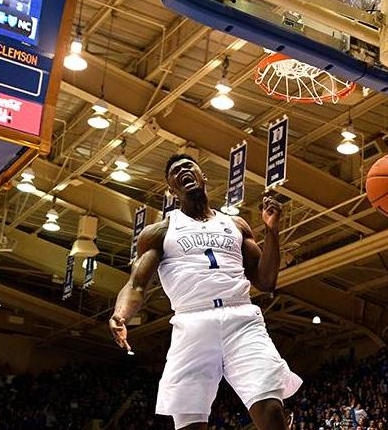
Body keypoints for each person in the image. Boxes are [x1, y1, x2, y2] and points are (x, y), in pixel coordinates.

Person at [110, 154, 301, 430]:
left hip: (241, 317)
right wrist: (120, 314)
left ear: (203, 177)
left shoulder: (236, 225)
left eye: (189, 166)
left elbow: (266, 280)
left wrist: (272, 231)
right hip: (192, 321)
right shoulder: (159, 232)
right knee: (190, 424)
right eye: (175, 171)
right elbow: (136, 284)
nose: (183, 171)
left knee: (271, 408)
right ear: (170, 190)